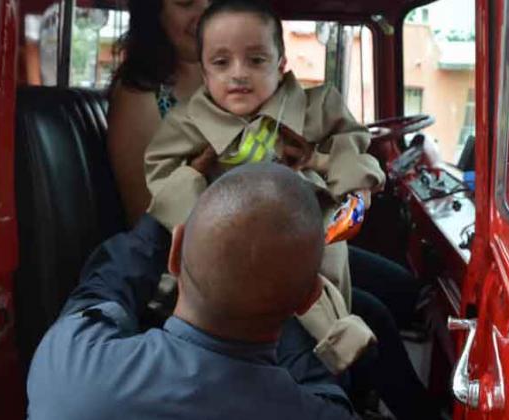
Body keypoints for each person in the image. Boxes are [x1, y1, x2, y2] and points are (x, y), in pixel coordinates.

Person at [145, 0, 383, 374]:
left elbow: (348, 143)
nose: (239, 74)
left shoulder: (314, 106)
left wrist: (353, 185)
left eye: (256, 60)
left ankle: (341, 350)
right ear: (205, 73)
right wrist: (197, 201)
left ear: (281, 63)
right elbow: (161, 173)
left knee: (333, 286)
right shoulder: (188, 123)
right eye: (221, 63)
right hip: (227, 250)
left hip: (304, 231)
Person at [27, 164, 358, 420]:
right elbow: (327, 392)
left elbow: (101, 289)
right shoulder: (315, 412)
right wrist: (275, 292)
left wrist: (163, 214)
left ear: (176, 252)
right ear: (309, 298)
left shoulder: (71, 364)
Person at [107, 0, 210, 227]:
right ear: (154, 11)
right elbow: (150, 222)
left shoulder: (235, 85)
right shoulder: (140, 97)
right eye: (185, 2)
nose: (205, 12)